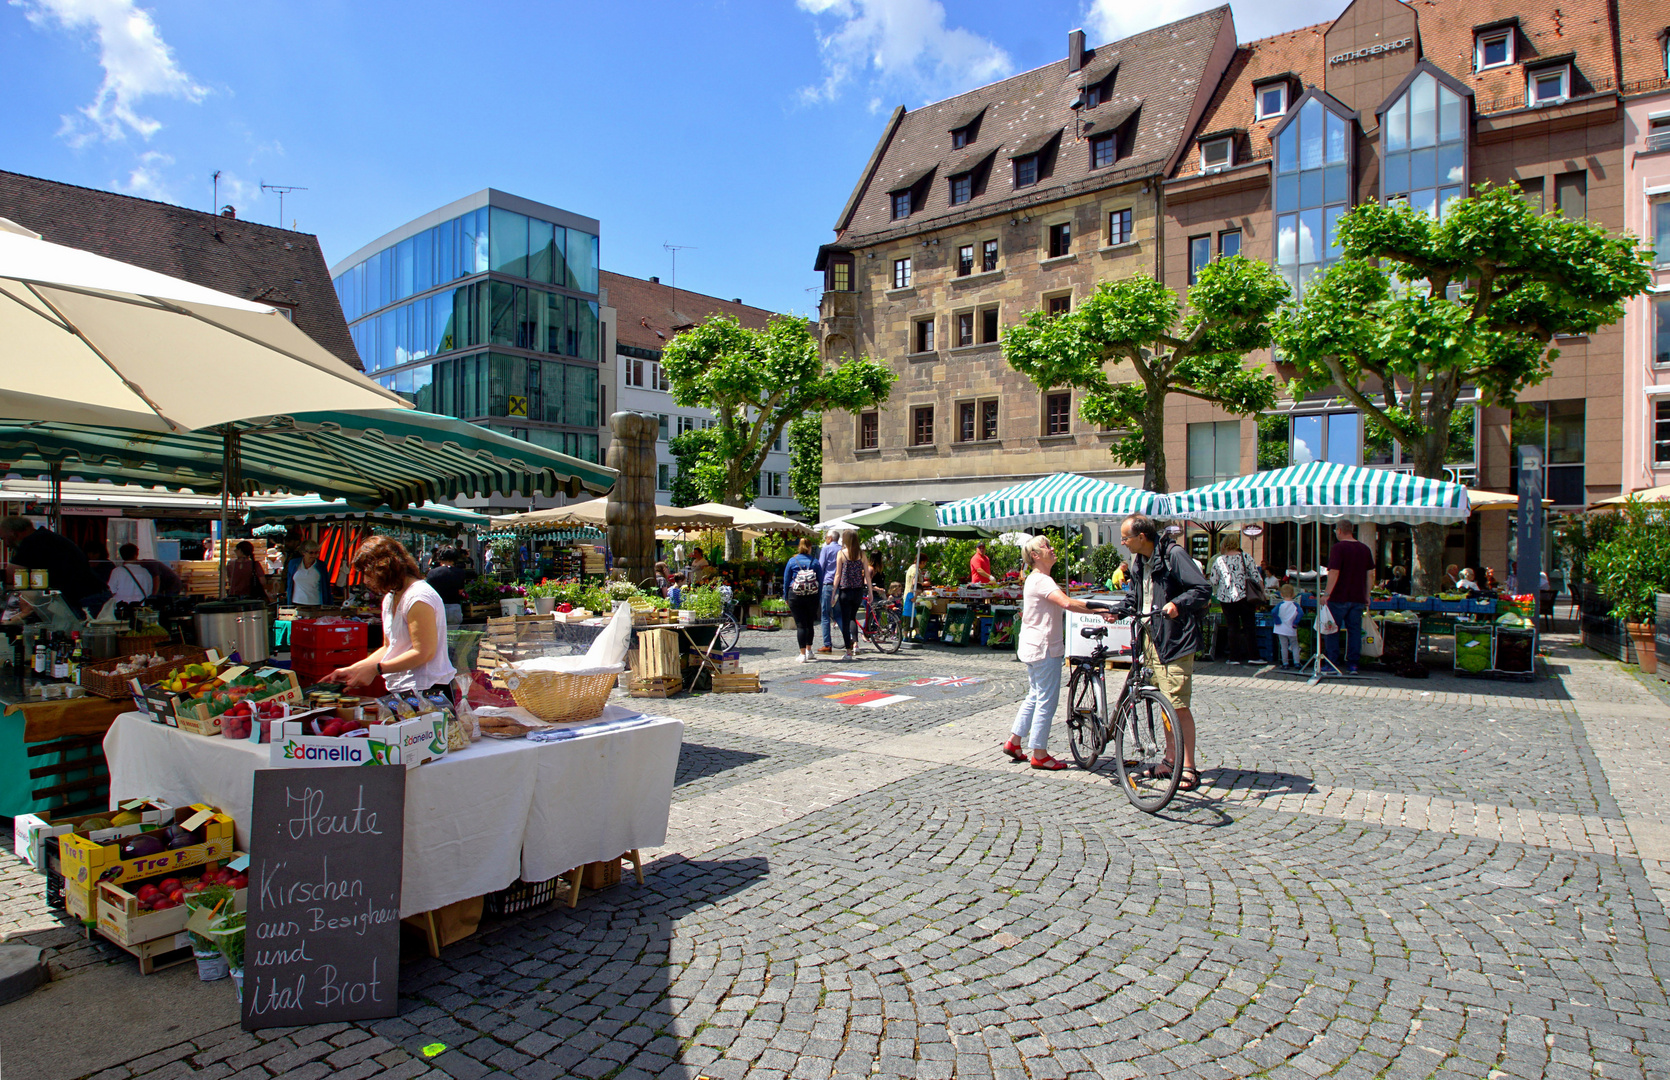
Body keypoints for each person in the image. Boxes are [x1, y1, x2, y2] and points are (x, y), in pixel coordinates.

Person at [1108, 513, 1211, 791]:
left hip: (1175, 640)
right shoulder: (1139, 560)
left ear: (1142, 537)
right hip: (1151, 639)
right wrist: (1118, 611)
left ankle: (1188, 768)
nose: (1122, 541)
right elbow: (1137, 596)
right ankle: (1169, 759)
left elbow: (1202, 589)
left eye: (1126, 537)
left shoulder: (1173, 555)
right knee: (1163, 702)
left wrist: (1178, 604)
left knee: (1177, 705)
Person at [1002, 534, 1119, 771]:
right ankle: (1040, 752)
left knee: (1035, 695)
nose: (1052, 548)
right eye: (1046, 546)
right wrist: (1102, 609)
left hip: (1032, 645)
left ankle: (1014, 741)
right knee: (1046, 700)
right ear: (1035, 555)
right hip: (1045, 647)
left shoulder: (1036, 578)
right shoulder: (1042, 580)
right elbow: (1066, 603)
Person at [327, 536, 455, 699]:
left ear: (384, 569)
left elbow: (423, 652)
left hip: (428, 690)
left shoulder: (419, 597)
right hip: (402, 689)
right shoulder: (391, 597)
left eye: (367, 573)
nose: (365, 580)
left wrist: (376, 670)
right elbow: (389, 647)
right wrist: (355, 669)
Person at [0, 515, 106, 616]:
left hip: (86, 598)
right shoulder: (44, 537)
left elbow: (12, 574)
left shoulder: (32, 541)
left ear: (13, 533)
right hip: (88, 594)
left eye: (4, 538)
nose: (6, 544)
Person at [1321, 521, 1375, 675]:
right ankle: (1353, 665)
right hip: (1358, 596)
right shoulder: (1365, 549)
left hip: (1338, 596)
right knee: (1354, 631)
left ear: (1339, 531)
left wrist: (1327, 593)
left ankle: (1331, 663)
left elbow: (1334, 572)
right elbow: (1370, 574)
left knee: (1332, 630)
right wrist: (1367, 594)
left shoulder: (1338, 548)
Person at [1208, 535, 1259, 665]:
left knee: (1232, 627)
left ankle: (1234, 657)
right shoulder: (1246, 557)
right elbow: (1256, 576)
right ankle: (1253, 656)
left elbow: (1213, 580)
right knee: (1249, 626)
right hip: (1245, 596)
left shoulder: (1219, 560)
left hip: (1225, 597)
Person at [832, 531, 870, 660]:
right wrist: (870, 591)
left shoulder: (841, 553)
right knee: (853, 617)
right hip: (858, 591)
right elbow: (867, 575)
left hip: (845, 590)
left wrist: (833, 592)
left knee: (846, 620)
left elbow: (838, 574)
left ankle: (848, 650)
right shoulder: (861, 554)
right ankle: (856, 645)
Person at [784, 537, 822, 662]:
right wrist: (818, 597)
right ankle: (809, 650)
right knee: (810, 623)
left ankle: (802, 654)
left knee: (800, 625)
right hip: (812, 596)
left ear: (799, 547)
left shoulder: (792, 561)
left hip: (795, 595)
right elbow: (820, 581)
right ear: (810, 547)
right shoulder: (815, 562)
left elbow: (786, 580)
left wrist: (786, 596)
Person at [817, 530, 841, 654]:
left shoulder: (826, 549)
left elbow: (821, 567)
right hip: (840, 585)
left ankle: (827, 644)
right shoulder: (842, 550)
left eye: (826, 537)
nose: (826, 539)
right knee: (838, 614)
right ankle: (850, 639)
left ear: (830, 538)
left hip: (828, 584)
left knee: (825, 614)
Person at [288, 540, 332, 606]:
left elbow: (326, 586)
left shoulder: (321, 566)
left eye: (316, 552)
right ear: (303, 553)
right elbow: (288, 581)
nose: (314, 555)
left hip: (316, 603)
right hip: (296, 602)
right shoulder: (293, 564)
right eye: (311, 553)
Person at [1273, 584, 1302, 670]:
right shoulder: (1296, 605)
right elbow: (1301, 613)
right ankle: (1297, 662)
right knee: (1295, 646)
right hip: (1291, 629)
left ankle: (1285, 663)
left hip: (1280, 628)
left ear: (1281, 594)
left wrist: (1277, 620)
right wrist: (1296, 622)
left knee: (1283, 646)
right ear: (1294, 594)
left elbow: (1273, 612)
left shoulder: (1280, 605)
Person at [903, 549, 929, 619]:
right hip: (911, 597)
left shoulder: (914, 568)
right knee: (909, 619)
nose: (925, 564)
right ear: (921, 562)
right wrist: (924, 584)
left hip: (910, 596)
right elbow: (915, 583)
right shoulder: (915, 570)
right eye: (924, 563)